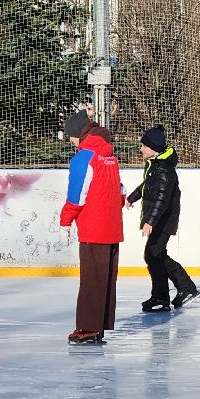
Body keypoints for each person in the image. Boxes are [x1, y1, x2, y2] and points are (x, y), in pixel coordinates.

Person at [60, 110, 125, 345]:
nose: (71, 142)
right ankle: (100, 326)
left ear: (78, 135)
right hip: (112, 228)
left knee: (90, 280)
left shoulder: (84, 158)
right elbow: (120, 191)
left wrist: (65, 222)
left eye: (71, 138)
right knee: (106, 279)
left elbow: (77, 196)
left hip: (93, 228)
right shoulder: (109, 157)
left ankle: (87, 328)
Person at [126, 124, 198, 312]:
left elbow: (162, 198)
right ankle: (165, 295)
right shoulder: (156, 165)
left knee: (153, 254)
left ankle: (181, 289)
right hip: (160, 218)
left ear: (153, 148)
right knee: (155, 255)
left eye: (143, 145)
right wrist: (132, 197)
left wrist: (150, 220)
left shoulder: (165, 169)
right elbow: (147, 186)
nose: (141, 149)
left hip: (164, 219)